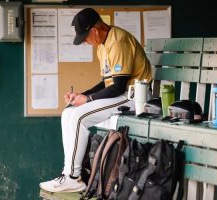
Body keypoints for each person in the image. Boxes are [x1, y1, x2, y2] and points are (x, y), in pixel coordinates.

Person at [39, 8, 152, 193]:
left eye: (85, 37)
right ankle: (68, 173)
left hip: (135, 98)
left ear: (95, 30)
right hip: (121, 95)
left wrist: (88, 99)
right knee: (68, 112)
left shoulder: (118, 41)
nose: (85, 41)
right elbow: (106, 82)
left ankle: (73, 177)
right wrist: (81, 95)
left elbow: (119, 86)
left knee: (79, 116)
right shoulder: (103, 45)